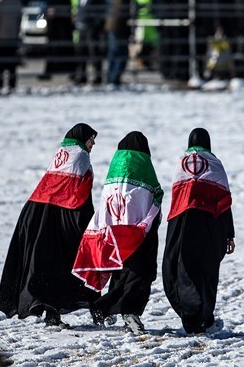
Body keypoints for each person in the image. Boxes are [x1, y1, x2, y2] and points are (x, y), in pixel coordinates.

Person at [0, 123, 100, 328]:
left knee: (44, 266)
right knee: (69, 265)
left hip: (38, 214)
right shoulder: (80, 155)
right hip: (63, 217)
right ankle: (90, 309)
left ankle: (51, 313)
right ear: (82, 138)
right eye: (91, 138)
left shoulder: (62, 153)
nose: (93, 143)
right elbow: (79, 192)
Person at [72, 131, 163, 335]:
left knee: (121, 274)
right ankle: (128, 312)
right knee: (140, 274)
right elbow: (153, 199)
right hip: (136, 234)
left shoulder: (114, 171)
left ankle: (104, 308)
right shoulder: (144, 168)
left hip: (113, 234)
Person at [162, 128, 235, 334]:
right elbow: (224, 202)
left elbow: (177, 199)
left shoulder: (181, 164)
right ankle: (205, 318)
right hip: (210, 224)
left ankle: (191, 318)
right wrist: (229, 234)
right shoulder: (215, 164)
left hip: (183, 224)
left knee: (183, 270)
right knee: (208, 272)